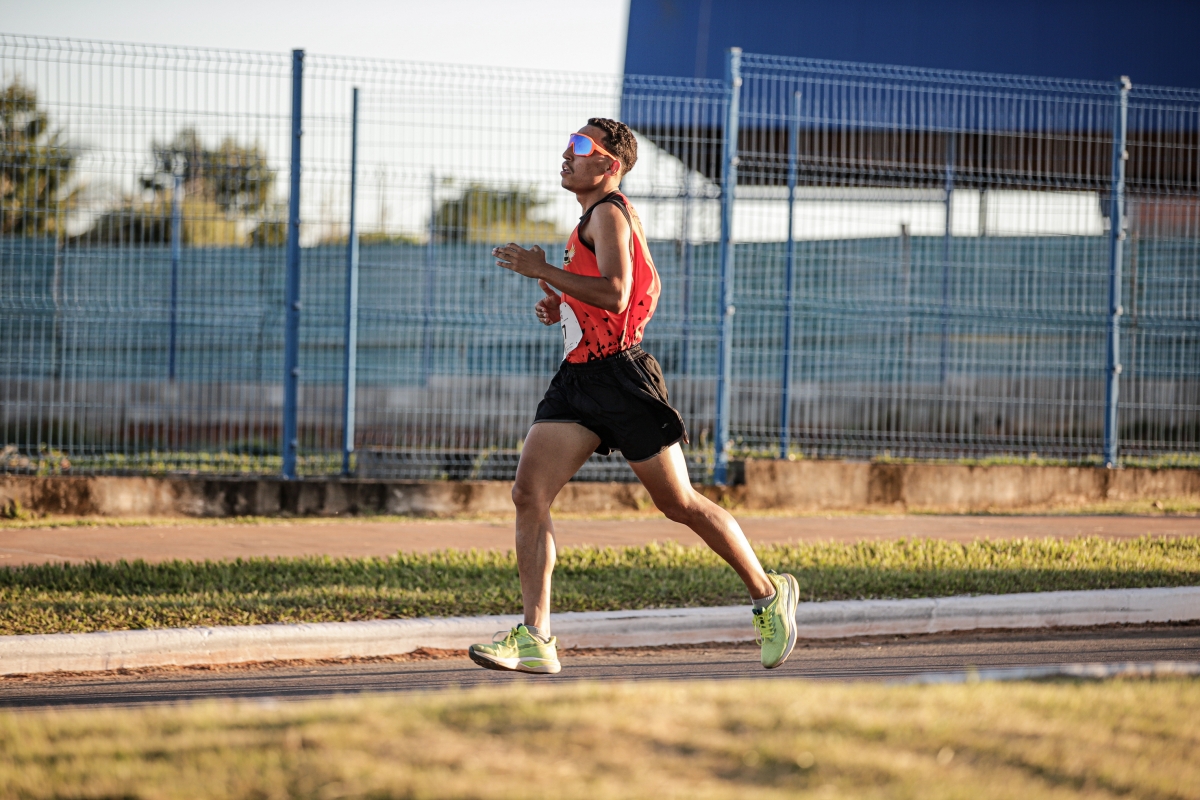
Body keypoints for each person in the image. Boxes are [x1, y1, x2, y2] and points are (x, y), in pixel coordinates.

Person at [468, 118, 798, 675]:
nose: (567, 153)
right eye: (568, 143)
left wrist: (541, 269)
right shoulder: (590, 220)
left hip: (622, 379)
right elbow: (612, 292)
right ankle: (536, 636)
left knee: (679, 504)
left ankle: (769, 594)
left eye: (580, 146)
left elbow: (619, 294)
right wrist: (561, 304)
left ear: (608, 165)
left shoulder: (609, 213)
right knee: (529, 493)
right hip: (579, 379)